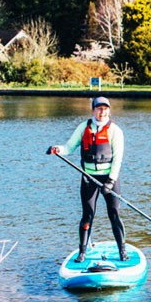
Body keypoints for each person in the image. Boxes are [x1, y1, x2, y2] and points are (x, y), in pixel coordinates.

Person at [47, 96, 128, 262]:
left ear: (109, 111)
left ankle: (122, 251)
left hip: (108, 179)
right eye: (99, 108)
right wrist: (57, 149)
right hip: (89, 178)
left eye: (105, 109)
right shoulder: (83, 127)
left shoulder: (115, 131)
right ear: (93, 110)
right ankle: (82, 252)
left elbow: (118, 159)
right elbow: (69, 147)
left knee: (114, 214)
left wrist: (111, 181)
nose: (102, 112)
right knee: (87, 215)